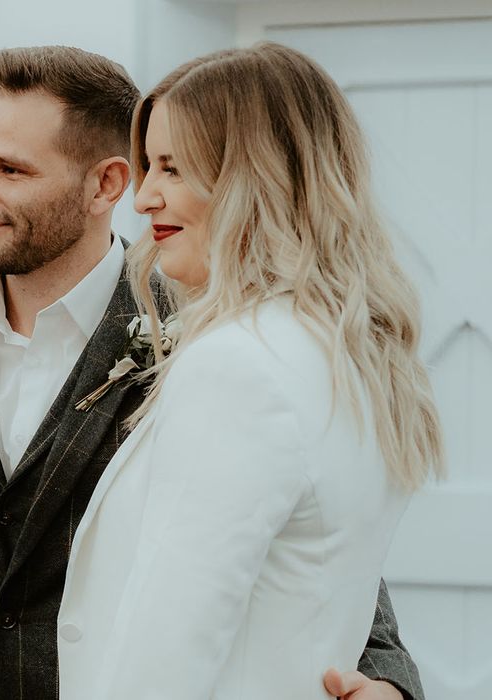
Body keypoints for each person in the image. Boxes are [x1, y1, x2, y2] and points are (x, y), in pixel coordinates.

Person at [0, 45, 427, 700]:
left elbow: (312, 541)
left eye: (9, 169)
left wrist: (389, 683)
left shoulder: (215, 336)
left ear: (105, 184)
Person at [58, 44, 443, 700]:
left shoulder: (240, 367)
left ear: (255, 179)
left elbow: (168, 652)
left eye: (172, 169)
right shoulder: (347, 355)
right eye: (150, 165)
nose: (145, 196)